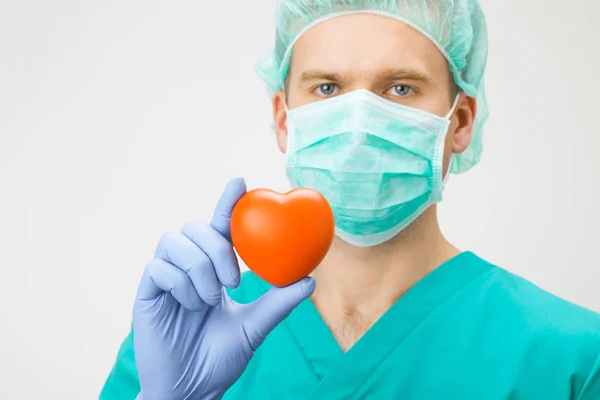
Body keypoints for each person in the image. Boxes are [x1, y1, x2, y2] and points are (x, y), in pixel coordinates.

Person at [100, 1, 600, 399]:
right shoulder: (185, 334)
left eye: (400, 88)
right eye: (327, 87)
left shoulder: (571, 360)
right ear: (283, 119)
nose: (359, 122)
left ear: (460, 122)